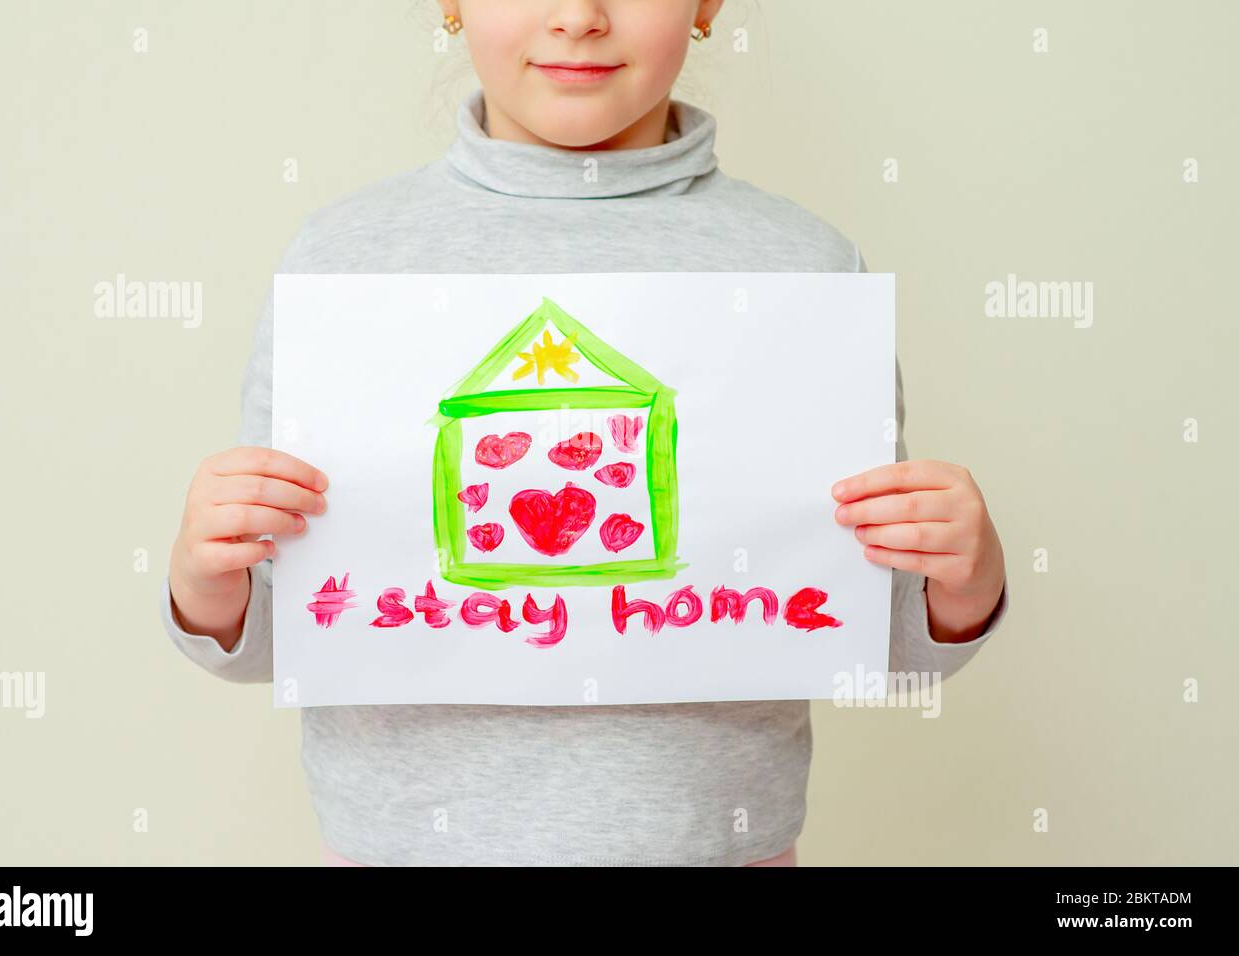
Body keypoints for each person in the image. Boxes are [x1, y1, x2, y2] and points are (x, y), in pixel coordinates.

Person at [163, 0, 1008, 866]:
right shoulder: (341, 264)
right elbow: (275, 639)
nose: (578, 16)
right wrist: (207, 579)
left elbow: (875, 641)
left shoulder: (807, 270)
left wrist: (963, 584)